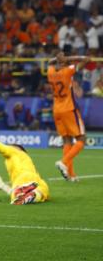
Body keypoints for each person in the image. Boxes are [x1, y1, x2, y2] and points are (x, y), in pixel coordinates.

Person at [47, 52, 90, 182]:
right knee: (81, 139)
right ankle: (64, 162)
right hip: (69, 108)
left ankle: (71, 175)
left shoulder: (50, 71)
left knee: (67, 141)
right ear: (65, 63)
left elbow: (50, 61)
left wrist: (58, 58)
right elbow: (87, 59)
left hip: (56, 109)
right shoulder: (67, 71)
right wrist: (69, 58)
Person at [0, 138, 50, 205]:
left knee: (15, 195)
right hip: (39, 181)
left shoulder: (14, 151)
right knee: (42, 194)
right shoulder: (26, 160)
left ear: (17, 148)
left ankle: (22, 193)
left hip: (22, 177)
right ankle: (30, 195)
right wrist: (2, 186)